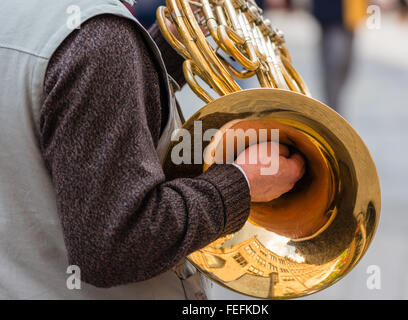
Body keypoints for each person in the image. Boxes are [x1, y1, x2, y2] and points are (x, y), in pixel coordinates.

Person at [0, 0, 305, 299]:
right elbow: (117, 244)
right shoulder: (100, 38)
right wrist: (243, 182)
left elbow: (65, 114)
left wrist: (158, 54)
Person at [311, 0, 367, 113]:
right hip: (331, 16)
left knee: (345, 66)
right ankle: (332, 110)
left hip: (350, 14)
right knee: (335, 64)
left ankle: (334, 109)